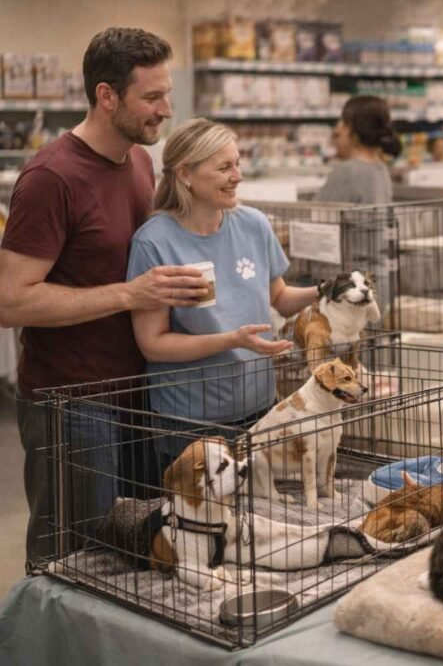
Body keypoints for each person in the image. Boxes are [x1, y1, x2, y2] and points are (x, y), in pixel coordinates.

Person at [0, 28, 209, 563]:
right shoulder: (51, 177)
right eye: (152, 97)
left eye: (167, 94)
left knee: (132, 556)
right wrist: (130, 294)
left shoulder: (139, 161)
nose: (166, 110)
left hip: (136, 394)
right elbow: (10, 301)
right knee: (74, 557)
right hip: (72, 403)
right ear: (107, 96)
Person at [127, 118, 318, 468]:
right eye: (224, 167)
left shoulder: (253, 224)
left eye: (238, 164)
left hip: (259, 408)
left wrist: (328, 291)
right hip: (189, 420)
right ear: (185, 173)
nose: (237, 176)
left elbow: (278, 297)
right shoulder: (154, 242)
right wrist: (232, 340)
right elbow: (153, 343)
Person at [315, 95, 400, 207]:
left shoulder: (347, 171)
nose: (338, 128)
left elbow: (317, 211)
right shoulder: (381, 168)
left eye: (343, 122)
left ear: (350, 129)